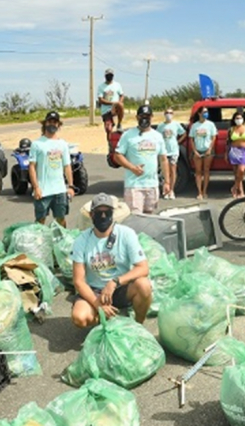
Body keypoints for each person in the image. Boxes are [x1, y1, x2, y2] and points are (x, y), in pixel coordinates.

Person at [71, 193, 154, 326]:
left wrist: (115, 282)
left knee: (144, 285)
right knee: (79, 318)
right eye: (99, 212)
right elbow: (78, 281)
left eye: (107, 212)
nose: (103, 216)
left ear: (113, 214)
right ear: (91, 215)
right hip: (95, 291)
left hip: (120, 288)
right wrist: (98, 304)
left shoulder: (126, 234)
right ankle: (106, 319)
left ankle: (138, 325)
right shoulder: (81, 240)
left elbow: (143, 268)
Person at [114, 104, 171, 214]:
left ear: (152, 117)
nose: (144, 119)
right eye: (142, 116)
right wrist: (132, 168)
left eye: (147, 116)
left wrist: (167, 182)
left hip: (152, 185)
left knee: (149, 219)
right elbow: (117, 155)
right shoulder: (128, 135)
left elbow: (163, 159)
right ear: (137, 117)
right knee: (136, 219)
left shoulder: (157, 136)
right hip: (134, 186)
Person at [29, 110, 75, 226]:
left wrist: (70, 186)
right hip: (43, 191)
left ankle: (62, 241)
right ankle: (40, 243)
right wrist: (36, 187)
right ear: (45, 123)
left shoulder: (63, 144)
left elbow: (67, 166)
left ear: (58, 125)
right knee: (40, 221)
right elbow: (32, 167)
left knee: (61, 219)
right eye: (50, 122)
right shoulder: (37, 144)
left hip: (59, 190)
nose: (52, 124)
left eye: (55, 122)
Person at [227, 108, 245, 198]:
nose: (238, 120)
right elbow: (228, 142)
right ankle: (240, 192)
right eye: (236, 118)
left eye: (240, 118)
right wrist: (226, 153)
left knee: (241, 170)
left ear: (243, 119)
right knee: (236, 173)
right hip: (234, 151)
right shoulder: (231, 129)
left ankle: (235, 187)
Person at [189, 107, 217, 199]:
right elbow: (191, 139)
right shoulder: (194, 126)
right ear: (199, 113)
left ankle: (205, 191)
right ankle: (199, 192)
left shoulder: (211, 125)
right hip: (197, 151)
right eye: (204, 112)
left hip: (208, 150)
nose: (206, 113)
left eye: (207, 112)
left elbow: (213, 138)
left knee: (206, 170)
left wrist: (209, 149)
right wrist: (195, 151)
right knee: (198, 172)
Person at [157, 107, 186, 199]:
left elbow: (184, 133)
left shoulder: (176, 125)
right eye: (167, 112)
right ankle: (165, 189)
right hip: (164, 151)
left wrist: (178, 141)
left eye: (170, 113)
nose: (168, 114)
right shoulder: (160, 126)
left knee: (173, 170)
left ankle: (171, 190)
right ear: (164, 114)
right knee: (165, 171)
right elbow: (157, 137)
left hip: (173, 151)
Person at [98, 69, 126, 140]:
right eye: (108, 75)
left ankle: (119, 123)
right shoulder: (101, 86)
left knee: (120, 105)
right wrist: (112, 103)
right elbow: (101, 100)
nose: (109, 77)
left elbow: (122, 95)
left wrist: (118, 102)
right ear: (105, 76)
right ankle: (110, 144)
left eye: (110, 75)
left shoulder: (117, 85)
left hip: (116, 107)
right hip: (106, 110)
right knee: (108, 129)